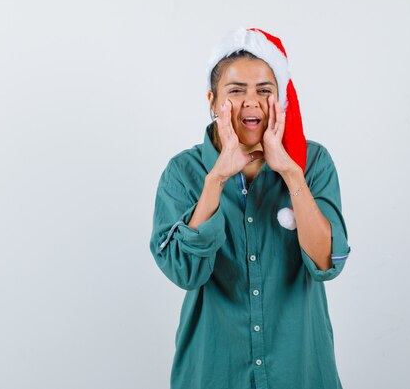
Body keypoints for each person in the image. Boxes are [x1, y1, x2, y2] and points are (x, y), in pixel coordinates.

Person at [149, 28, 351, 389]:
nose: (252, 102)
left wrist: (290, 171)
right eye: (236, 91)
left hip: (300, 372)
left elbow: (326, 263)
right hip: (212, 372)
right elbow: (184, 272)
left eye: (264, 90)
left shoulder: (314, 163)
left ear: (281, 99)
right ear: (213, 101)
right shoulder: (182, 173)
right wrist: (216, 180)